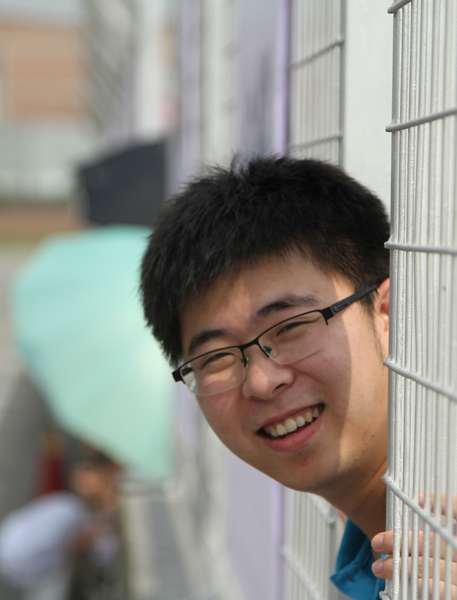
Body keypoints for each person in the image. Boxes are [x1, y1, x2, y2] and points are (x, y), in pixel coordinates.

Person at [139, 156, 413, 599]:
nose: (262, 382)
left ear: (387, 312)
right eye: (216, 358)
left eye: (290, 328)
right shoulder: (375, 562)